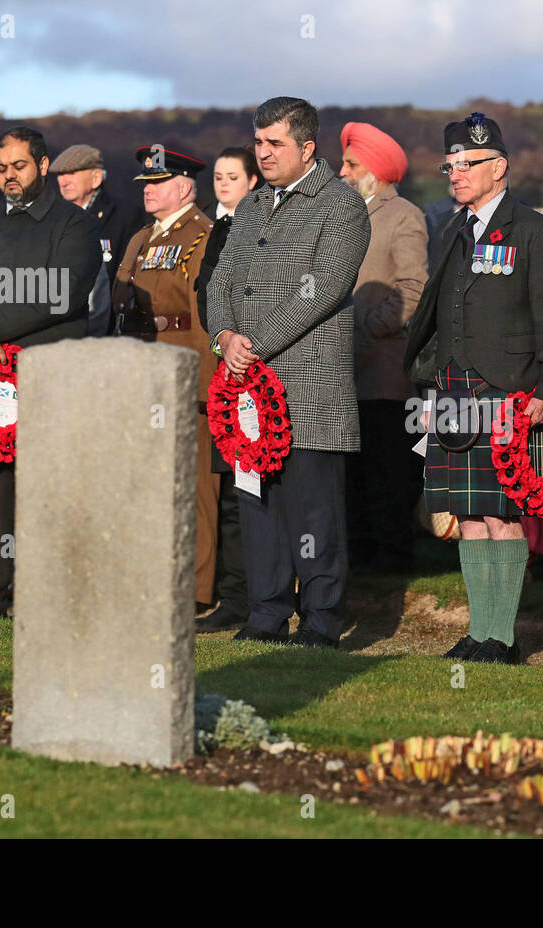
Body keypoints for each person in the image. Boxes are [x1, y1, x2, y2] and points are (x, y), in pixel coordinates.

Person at [402, 112, 543, 664]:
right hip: (452, 388)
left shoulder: (534, 230)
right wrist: (430, 387)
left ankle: (502, 635)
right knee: (469, 517)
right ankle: (479, 631)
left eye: (467, 164)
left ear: (498, 168)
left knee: (503, 515)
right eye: (450, 164)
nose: (456, 173)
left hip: (510, 389)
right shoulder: (453, 229)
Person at [207, 96, 370, 649]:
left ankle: (321, 620)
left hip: (308, 384)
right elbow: (221, 278)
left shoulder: (341, 205)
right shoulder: (251, 207)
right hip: (246, 386)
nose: (264, 153)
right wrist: (224, 337)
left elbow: (324, 290)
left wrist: (253, 343)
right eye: (258, 142)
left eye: (275, 143)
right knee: (257, 506)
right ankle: (266, 612)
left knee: (312, 511)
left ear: (306, 147)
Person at [0, 126, 100, 617]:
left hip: (45, 374)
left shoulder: (74, 224)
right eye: (2, 168)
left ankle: (43, 596)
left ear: (44, 166)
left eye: (19, 166)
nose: (9, 176)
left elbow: (63, 292)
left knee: (43, 490)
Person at [112, 146, 219, 614]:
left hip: (182, 368)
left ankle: (194, 588)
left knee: (193, 486)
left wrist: (203, 383)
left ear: (184, 186)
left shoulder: (202, 234)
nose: (148, 191)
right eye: (144, 184)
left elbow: (204, 314)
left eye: (157, 184)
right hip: (141, 370)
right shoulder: (139, 239)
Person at [339, 121, 428, 574]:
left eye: (351, 164)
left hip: (384, 371)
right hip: (347, 371)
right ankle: (362, 561)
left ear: (375, 170)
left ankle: (392, 564)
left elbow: (413, 289)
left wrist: (367, 331)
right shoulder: (345, 215)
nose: (343, 172)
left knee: (387, 472)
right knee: (354, 473)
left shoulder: (404, 215)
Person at [194, 144, 260, 634]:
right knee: (237, 491)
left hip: (266, 370)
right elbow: (207, 291)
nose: (221, 184)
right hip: (229, 370)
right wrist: (224, 339)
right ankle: (237, 596)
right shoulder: (221, 229)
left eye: (232, 176)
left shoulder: (264, 224)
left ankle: (272, 594)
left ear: (253, 181)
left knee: (267, 490)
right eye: (216, 176)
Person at [52, 143, 142, 335]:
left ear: (96, 178)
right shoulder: (51, 218)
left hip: (106, 329)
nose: (63, 181)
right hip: (60, 327)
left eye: (71, 173)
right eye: (60, 174)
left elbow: (127, 279)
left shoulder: (125, 215)